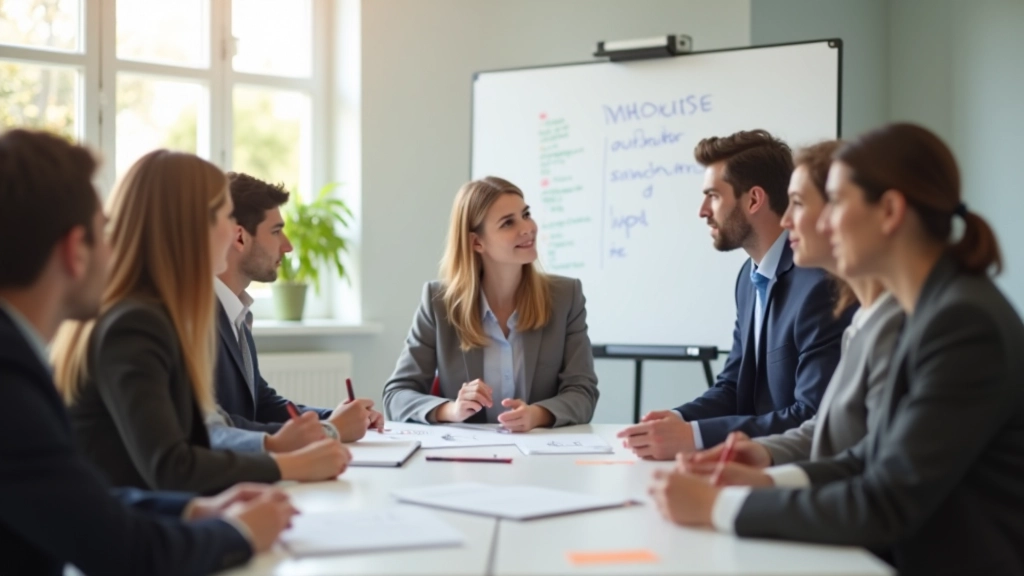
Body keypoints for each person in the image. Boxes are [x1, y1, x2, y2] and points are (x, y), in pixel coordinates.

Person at [649, 123, 1024, 575]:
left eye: (835, 204)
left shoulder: (960, 322)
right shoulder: (930, 309)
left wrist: (721, 507)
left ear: (888, 211)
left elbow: (886, 500)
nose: (816, 223)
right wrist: (764, 477)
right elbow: (869, 456)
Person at [0, 128, 295, 575]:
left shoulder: (17, 357)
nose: (114, 248)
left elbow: (79, 499)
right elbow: (123, 545)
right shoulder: (12, 377)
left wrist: (190, 512)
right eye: (104, 231)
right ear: (73, 251)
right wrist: (241, 530)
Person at [52, 150, 350, 495]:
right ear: (191, 226)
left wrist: (280, 451)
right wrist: (290, 464)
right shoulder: (134, 322)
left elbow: (202, 433)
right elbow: (172, 466)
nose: (232, 231)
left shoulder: (154, 313)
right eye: (225, 215)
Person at [679, 141, 904, 485]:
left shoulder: (912, 319)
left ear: (888, 211)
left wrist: (736, 502)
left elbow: (883, 478)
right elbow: (840, 438)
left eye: (799, 204)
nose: (787, 220)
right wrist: (763, 456)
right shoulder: (867, 319)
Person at [619, 130, 853, 458]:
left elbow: (812, 414)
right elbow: (733, 387)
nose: (703, 210)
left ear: (754, 200)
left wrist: (695, 437)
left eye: (713, 195)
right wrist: (680, 419)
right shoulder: (749, 277)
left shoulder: (820, 286)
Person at [383, 176, 599, 432]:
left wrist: (537, 415)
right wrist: (451, 410)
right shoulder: (439, 302)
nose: (527, 228)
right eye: (508, 222)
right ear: (476, 242)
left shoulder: (566, 297)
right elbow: (396, 395)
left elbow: (583, 393)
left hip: (541, 453)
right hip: (467, 459)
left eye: (525, 214)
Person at [209, 172, 384, 456]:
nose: (287, 246)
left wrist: (334, 418)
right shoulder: (198, 318)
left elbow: (261, 403)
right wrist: (331, 430)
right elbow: (220, 426)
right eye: (276, 231)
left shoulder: (235, 309)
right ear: (240, 237)